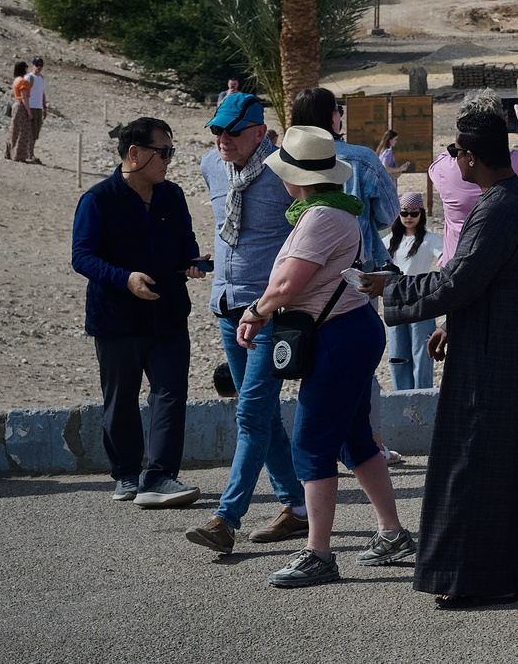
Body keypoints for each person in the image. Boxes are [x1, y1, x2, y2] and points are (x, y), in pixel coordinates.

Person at [373, 105, 518, 606]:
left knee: (479, 462)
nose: (454, 160)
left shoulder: (499, 207)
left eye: (456, 152)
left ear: (469, 157)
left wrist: (388, 288)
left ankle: (488, 575)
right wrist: (451, 323)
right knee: (502, 461)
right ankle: (507, 565)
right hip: (502, 342)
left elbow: (458, 279)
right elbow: (482, 277)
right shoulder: (508, 198)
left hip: (499, 354)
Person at [228, 126, 412, 586]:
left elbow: (288, 284)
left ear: (296, 177)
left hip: (337, 337)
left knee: (311, 446)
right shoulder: (332, 210)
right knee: (355, 439)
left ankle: (318, 553)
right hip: (349, 331)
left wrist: (255, 311)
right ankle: (391, 533)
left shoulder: (321, 217)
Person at [183, 90, 308, 556]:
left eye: (233, 132)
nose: (222, 139)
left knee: (251, 414)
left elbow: (306, 235)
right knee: (264, 414)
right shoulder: (210, 166)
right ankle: (297, 506)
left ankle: (225, 519)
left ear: (260, 133)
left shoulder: (286, 172)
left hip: (270, 312)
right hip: (226, 307)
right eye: (217, 130)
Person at [73, 116, 203, 508]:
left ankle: (160, 476)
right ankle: (127, 473)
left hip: (169, 315)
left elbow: (185, 242)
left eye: (171, 152)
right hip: (116, 319)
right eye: (164, 152)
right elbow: (82, 256)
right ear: (135, 153)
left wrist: (192, 262)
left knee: (170, 394)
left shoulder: (173, 195)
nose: (169, 160)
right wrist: (124, 278)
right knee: (120, 399)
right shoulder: (98, 199)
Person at [430, 92, 518, 264]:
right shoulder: (517, 165)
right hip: (501, 267)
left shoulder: (443, 168)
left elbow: (441, 161)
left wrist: (464, 136)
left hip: (455, 265)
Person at [289, 86, 399, 271]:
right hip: (358, 266)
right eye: (338, 110)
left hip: (300, 267)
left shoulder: (285, 161)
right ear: (332, 118)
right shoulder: (362, 159)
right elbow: (388, 214)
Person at [384, 194, 438, 392]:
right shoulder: (388, 241)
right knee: (398, 354)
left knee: (422, 353)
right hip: (395, 300)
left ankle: (422, 395)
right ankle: (401, 396)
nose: (409, 217)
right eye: (404, 213)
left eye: (414, 213)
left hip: (421, 300)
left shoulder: (431, 240)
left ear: (421, 214)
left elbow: (448, 260)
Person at [4, 58, 38, 163]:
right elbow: (24, 97)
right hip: (21, 106)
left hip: (15, 105)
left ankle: (9, 152)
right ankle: (19, 155)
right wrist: (29, 111)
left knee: (14, 129)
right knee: (22, 131)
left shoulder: (16, 80)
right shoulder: (23, 81)